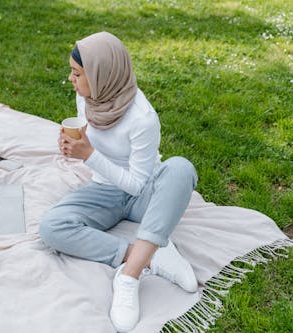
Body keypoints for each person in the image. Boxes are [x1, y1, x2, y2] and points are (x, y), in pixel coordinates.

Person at [39, 31, 198, 332]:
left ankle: (129, 276)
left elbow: (137, 184)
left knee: (180, 169)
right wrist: (76, 145)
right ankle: (149, 255)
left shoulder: (142, 118)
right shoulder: (86, 96)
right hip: (104, 191)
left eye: (77, 74)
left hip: (143, 192)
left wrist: (89, 156)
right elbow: (91, 140)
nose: (71, 79)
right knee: (51, 227)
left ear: (102, 75)